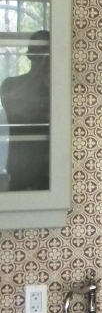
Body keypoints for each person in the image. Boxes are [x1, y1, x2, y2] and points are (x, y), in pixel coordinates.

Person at [0, 29, 51, 191]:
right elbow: (14, 106)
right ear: (29, 54)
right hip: (22, 167)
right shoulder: (11, 84)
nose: (44, 58)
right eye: (40, 52)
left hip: (54, 168)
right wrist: (39, 73)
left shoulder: (57, 89)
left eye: (47, 52)